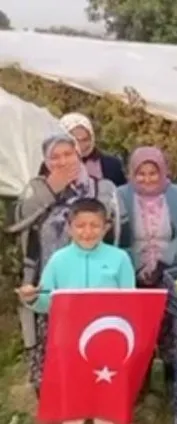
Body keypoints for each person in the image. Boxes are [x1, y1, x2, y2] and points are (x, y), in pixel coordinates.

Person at [7, 133, 123, 397]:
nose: (62, 161)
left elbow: (112, 229)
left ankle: (92, 406)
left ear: (78, 154)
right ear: (46, 162)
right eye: (54, 157)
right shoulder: (36, 188)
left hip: (92, 287)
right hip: (49, 284)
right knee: (52, 360)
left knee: (92, 354)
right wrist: (51, 190)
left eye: (68, 154)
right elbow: (15, 223)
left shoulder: (101, 187)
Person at [15, 198, 135, 424]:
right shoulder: (59, 260)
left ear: (106, 228)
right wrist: (31, 298)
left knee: (107, 402)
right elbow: (47, 301)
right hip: (69, 345)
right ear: (69, 229)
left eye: (94, 225)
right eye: (80, 226)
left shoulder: (120, 259)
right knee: (73, 404)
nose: (87, 232)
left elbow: (129, 303)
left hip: (108, 344)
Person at [116, 146, 177, 394]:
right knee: (138, 331)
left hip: (170, 270)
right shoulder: (120, 195)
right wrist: (138, 265)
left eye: (153, 172)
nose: (147, 178)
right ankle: (140, 384)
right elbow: (117, 237)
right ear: (131, 173)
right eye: (141, 173)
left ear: (163, 171)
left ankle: (173, 383)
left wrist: (165, 259)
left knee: (172, 328)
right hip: (133, 272)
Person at [38, 113, 127, 186]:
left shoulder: (111, 164)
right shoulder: (51, 165)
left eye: (85, 140)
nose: (80, 145)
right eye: (75, 140)